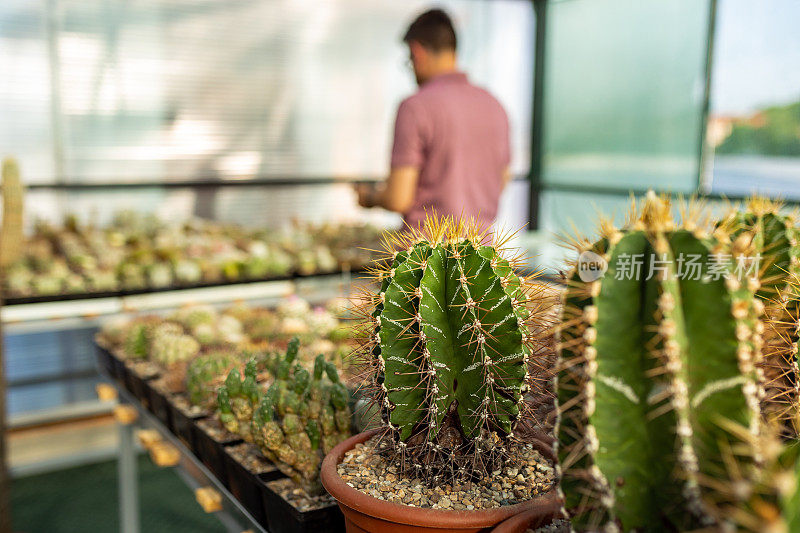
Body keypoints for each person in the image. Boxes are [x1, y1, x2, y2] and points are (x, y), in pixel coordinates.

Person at [356, 9, 512, 230]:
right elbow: (502, 180)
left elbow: (399, 197)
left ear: (417, 51)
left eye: (409, 61)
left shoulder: (415, 107)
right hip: (481, 258)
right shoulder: (495, 106)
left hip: (426, 259)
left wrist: (370, 198)